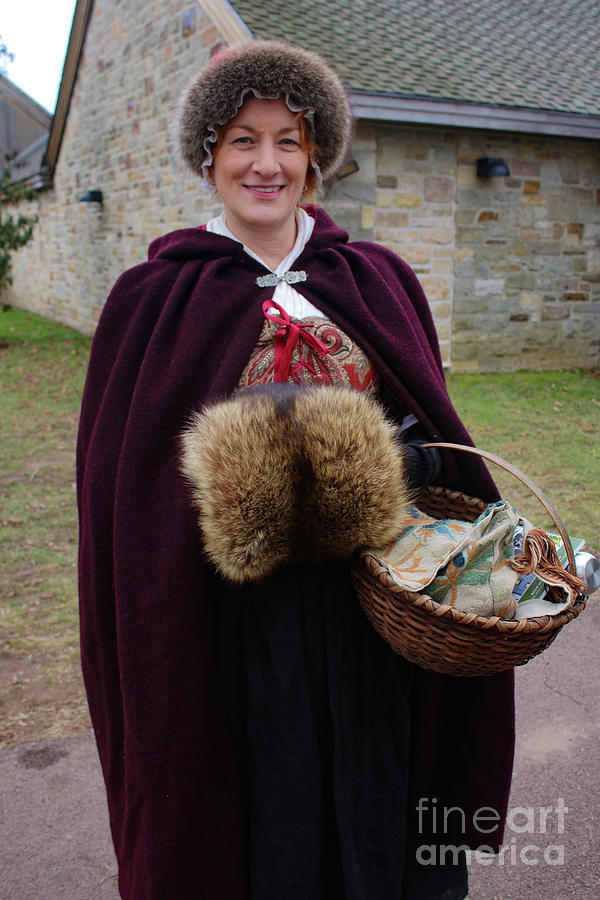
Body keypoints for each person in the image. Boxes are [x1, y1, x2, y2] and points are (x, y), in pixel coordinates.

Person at [77, 40, 515, 900]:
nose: (266, 163)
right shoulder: (152, 299)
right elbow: (124, 494)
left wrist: (406, 459)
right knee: (267, 815)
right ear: (209, 156)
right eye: (243, 139)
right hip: (238, 626)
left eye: (288, 139)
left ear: (315, 155)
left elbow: (429, 424)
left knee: (380, 796)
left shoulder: (375, 277)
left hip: (375, 612)